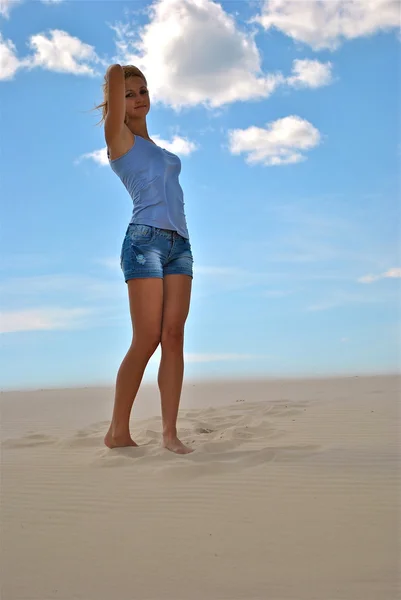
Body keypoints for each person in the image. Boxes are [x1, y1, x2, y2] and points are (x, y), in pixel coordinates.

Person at [96, 64, 194, 454]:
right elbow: (115, 74)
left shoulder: (159, 149)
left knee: (173, 337)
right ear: (117, 103)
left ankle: (170, 434)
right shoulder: (118, 139)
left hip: (180, 245)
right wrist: (118, 75)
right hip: (144, 242)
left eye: (143, 91)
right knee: (147, 338)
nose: (139, 98)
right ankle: (117, 431)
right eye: (130, 94)